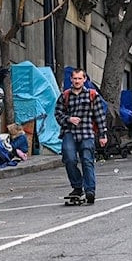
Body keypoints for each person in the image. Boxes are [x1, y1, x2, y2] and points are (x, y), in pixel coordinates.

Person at [54, 68, 108, 204]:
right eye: (75, 78)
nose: (77, 81)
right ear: (71, 80)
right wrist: (68, 119)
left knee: (87, 160)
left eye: (80, 78)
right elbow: (57, 113)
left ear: (84, 79)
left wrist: (103, 135)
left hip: (86, 132)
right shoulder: (65, 96)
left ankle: (90, 190)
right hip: (69, 132)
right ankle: (77, 187)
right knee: (69, 159)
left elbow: (100, 116)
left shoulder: (92, 95)